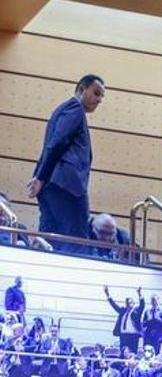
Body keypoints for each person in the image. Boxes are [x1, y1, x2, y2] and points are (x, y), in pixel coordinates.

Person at [26, 74, 105, 255]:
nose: (99, 100)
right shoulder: (74, 108)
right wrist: (41, 177)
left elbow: (51, 145)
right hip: (67, 186)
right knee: (76, 242)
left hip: (52, 185)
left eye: (101, 96)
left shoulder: (62, 110)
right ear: (82, 89)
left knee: (49, 240)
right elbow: (58, 142)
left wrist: (40, 177)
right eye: (96, 93)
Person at [104, 285, 144, 355]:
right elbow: (114, 305)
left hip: (133, 336)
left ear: (133, 304)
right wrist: (107, 294)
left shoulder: (136, 312)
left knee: (132, 353)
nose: (128, 304)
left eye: (130, 302)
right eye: (127, 303)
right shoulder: (123, 311)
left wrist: (139, 293)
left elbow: (142, 305)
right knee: (123, 353)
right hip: (123, 335)